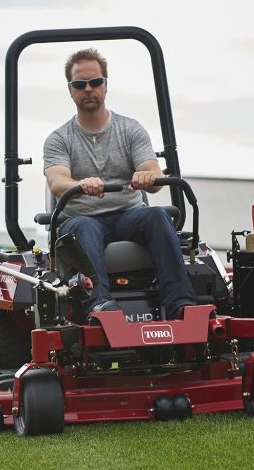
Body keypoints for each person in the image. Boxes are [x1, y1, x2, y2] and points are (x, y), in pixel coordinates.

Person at [43, 48, 198, 319]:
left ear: (105, 85)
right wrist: (80, 184)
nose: (88, 89)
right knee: (83, 226)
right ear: (70, 90)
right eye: (80, 84)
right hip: (82, 218)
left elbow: (151, 170)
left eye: (95, 82)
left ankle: (181, 304)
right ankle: (100, 304)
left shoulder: (130, 129)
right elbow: (57, 181)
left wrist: (147, 176)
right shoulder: (59, 139)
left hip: (128, 216)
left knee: (157, 215)